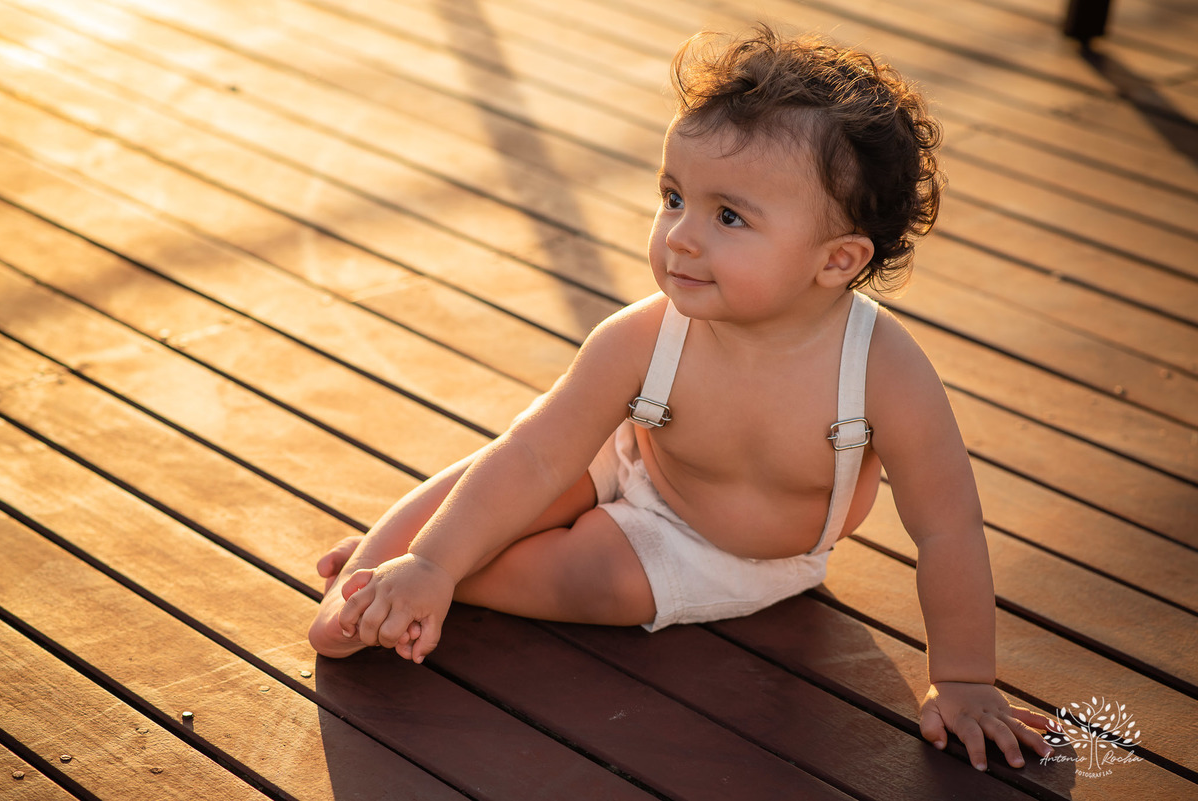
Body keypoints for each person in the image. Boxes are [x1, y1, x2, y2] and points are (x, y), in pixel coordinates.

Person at [308, 24, 1053, 771]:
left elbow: (947, 529)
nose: (682, 237)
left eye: (728, 216)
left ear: (837, 261)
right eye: (673, 198)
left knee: (595, 576)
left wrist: (962, 677)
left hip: (719, 552)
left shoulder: (884, 371)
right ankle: (404, 562)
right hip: (639, 453)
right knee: (523, 468)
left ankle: (416, 581)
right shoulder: (645, 335)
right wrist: (435, 556)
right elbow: (532, 455)